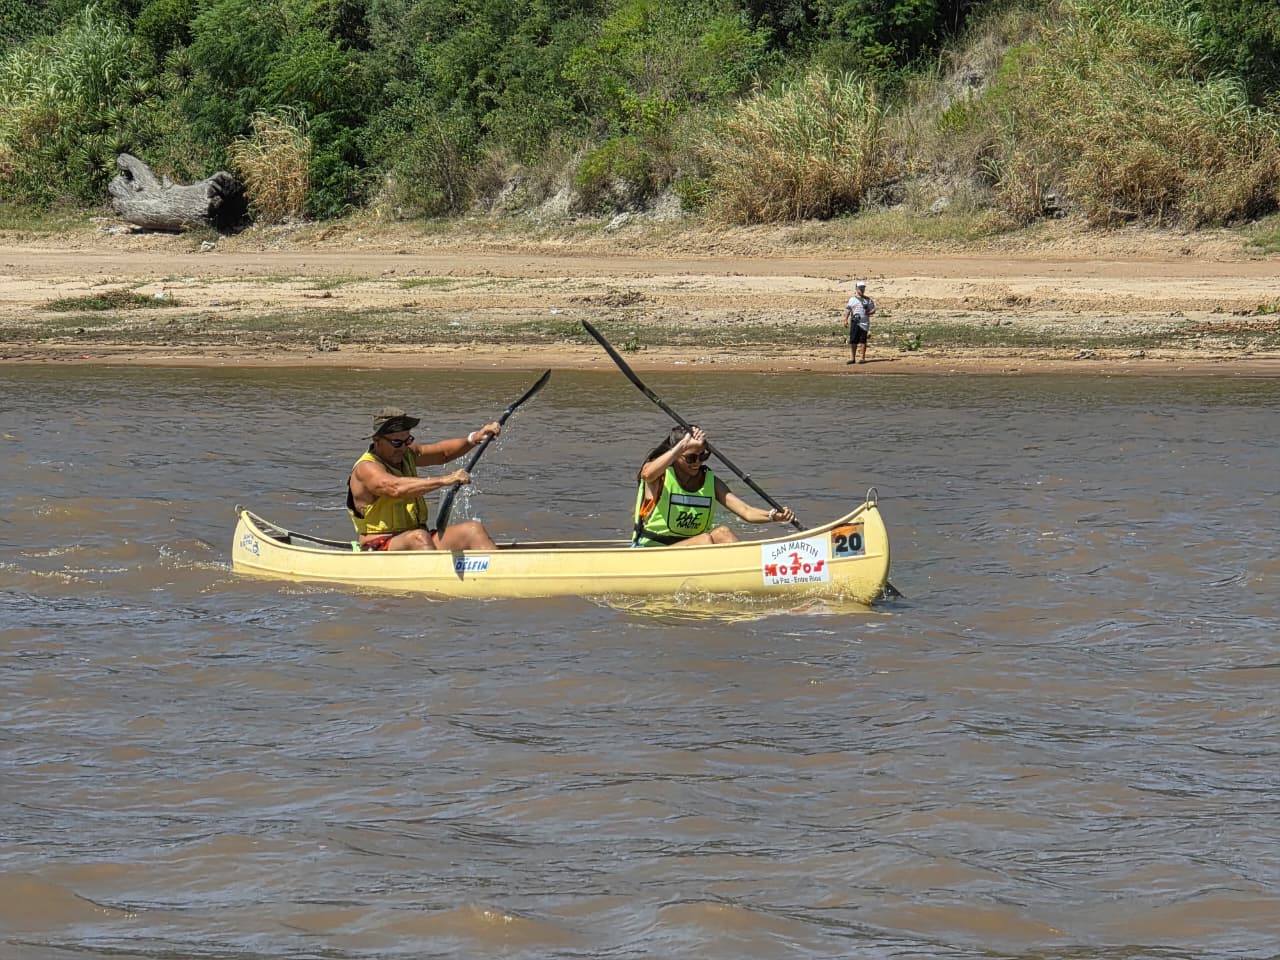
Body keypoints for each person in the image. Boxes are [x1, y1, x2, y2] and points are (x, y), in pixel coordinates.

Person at [347, 406, 502, 551]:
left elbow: (442, 453)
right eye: (396, 442)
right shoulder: (366, 468)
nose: (402, 448)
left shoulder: (406, 452)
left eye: (407, 441)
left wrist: (474, 438)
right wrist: (444, 480)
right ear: (377, 441)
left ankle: (498, 572)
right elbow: (394, 488)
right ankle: (438, 577)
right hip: (379, 544)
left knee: (473, 530)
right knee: (419, 537)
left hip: (418, 538)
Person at [632, 425, 795, 547]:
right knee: (704, 540)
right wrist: (679, 447)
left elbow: (746, 511)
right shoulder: (659, 476)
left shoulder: (711, 482)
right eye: (690, 458)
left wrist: (773, 516)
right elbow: (647, 474)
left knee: (723, 532)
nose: (698, 462)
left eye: (703, 455)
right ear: (675, 455)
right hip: (653, 552)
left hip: (691, 550)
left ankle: (744, 574)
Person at [842, 280, 876, 365]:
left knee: (863, 340)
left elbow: (873, 309)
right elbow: (848, 310)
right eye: (860, 288)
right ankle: (853, 358)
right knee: (853, 340)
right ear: (856, 289)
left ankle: (862, 358)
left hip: (864, 323)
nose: (862, 290)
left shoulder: (868, 300)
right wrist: (845, 320)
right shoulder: (852, 299)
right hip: (855, 322)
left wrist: (870, 312)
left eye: (863, 288)